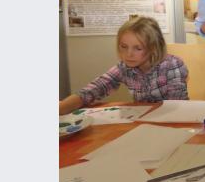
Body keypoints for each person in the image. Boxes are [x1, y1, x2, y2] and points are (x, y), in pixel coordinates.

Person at [59, 16, 188, 115]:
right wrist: (61, 108)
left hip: (173, 119)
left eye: (138, 48)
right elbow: (93, 90)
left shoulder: (172, 65)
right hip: (145, 120)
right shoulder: (124, 68)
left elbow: (176, 107)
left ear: (153, 47)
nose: (128, 54)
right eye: (124, 47)